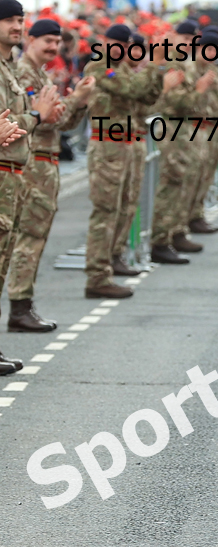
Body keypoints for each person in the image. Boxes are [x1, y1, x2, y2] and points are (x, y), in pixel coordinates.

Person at [7, 19, 94, 332]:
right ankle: (19, 306)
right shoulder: (23, 73)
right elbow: (44, 119)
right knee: (26, 239)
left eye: (57, 43)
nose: (54, 48)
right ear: (31, 39)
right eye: (47, 41)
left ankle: (22, 305)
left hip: (46, 162)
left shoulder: (39, 74)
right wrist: (74, 100)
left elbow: (62, 121)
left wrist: (78, 102)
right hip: (32, 164)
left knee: (34, 238)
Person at [0, 0, 60, 374]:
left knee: (4, 259)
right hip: (9, 169)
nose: (16, 25)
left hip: (13, 171)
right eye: (8, 19)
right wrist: (35, 114)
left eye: (20, 19)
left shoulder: (9, 68)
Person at [84, 23, 164, 298]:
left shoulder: (125, 68)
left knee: (125, 206)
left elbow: (149, 97)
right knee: (105, 211)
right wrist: (151, 67)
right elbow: (130, 89)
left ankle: (113, 257)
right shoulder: (99, 67)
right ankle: (97, 274)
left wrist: (154, 71)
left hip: (127, 143)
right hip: (107, 145)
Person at [150, 20, 211, 264]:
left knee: (181, 182)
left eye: (191, 39)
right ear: (172, 36)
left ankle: (175, 232)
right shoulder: (171, 62)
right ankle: (161, 239)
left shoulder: (186, 61)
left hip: (183, 127)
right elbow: (176, 101)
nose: (187, 43)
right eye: (183, 38)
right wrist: (197, 91)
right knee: (171, 182)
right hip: (172, 125)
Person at [187, 30, 218, 235]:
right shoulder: (191, 69)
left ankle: (197, 214)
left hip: (212, 128)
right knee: (192, 175)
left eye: (215, 50)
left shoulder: (213, 70)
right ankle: (185, 218)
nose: (211, 53)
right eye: (208, 49)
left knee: (207, 174)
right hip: (194, 128)